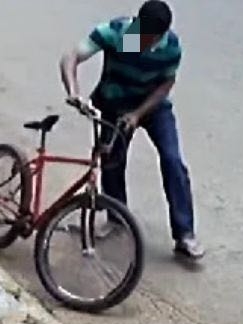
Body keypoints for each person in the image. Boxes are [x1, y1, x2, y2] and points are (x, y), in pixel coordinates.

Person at [59, 0, 204, 259]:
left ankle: (184, 233)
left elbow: (166, 82)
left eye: (150, 39)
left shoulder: (170, 47)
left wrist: (138, 114)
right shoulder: (116, 33)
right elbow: (72, 56)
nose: (144, 43)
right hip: (114, 104)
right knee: (112, 160)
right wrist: (74, 92)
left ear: (161, 35)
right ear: (136, 24)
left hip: (153, 108)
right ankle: (116, 218)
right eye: (141, 35)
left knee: (173, 161)